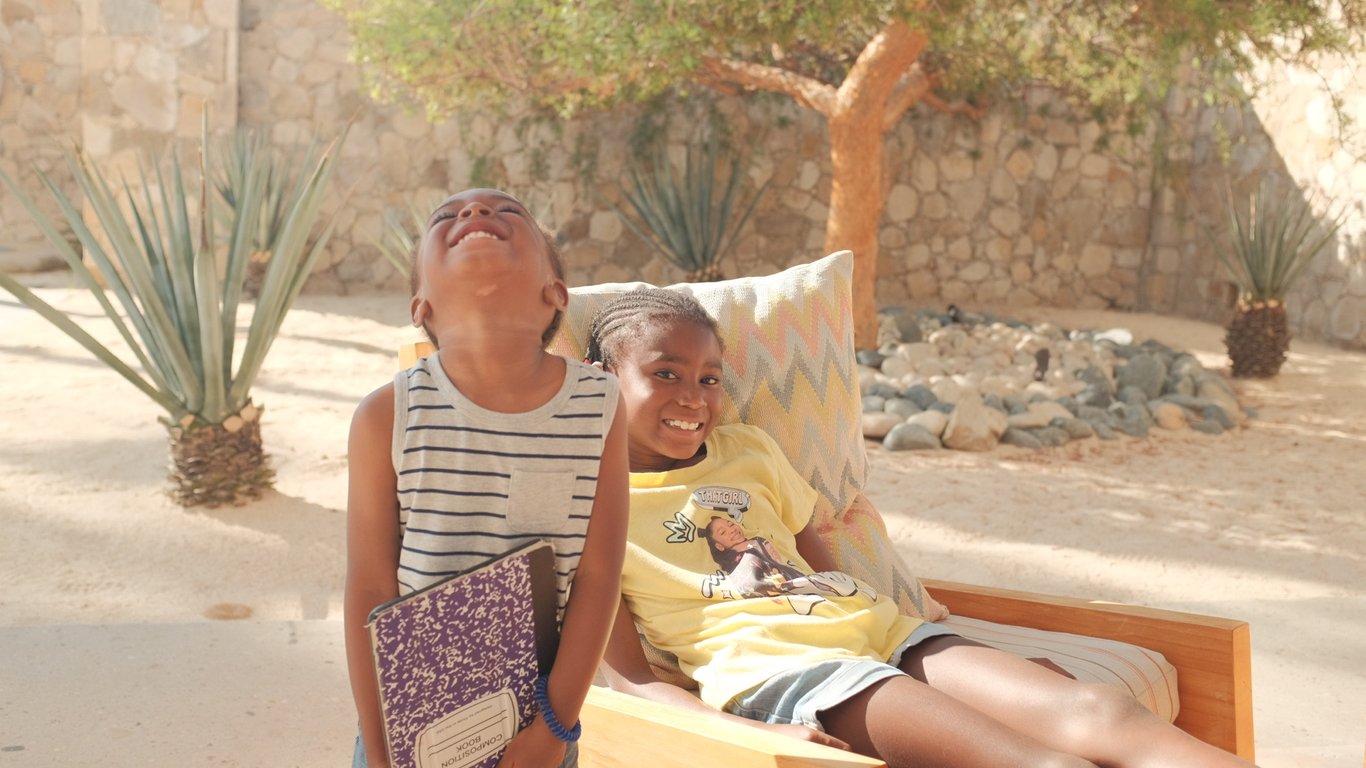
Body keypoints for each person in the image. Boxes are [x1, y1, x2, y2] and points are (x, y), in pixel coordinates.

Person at [587, 287, 1256, 768]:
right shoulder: (591, 505)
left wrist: (981, 666)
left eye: (709, 377)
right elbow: (632, 681)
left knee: (1103, 713)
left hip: (889, 634)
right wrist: (750, 738)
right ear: (601, 379)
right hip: (794, 675)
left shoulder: (748, 448)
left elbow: (820, 564)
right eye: (664, 373)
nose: (693, 398)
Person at [345, 189, 629, 768]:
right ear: (420, 304)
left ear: (554, 294)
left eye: (506, 211)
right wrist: (378, 753)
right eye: (445, 217)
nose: (473, 214)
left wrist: (555, 727)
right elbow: (370, 593)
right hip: (409, 730)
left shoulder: (601, 406)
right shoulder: (384, 417)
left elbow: (598, 578)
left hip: (536, 722)